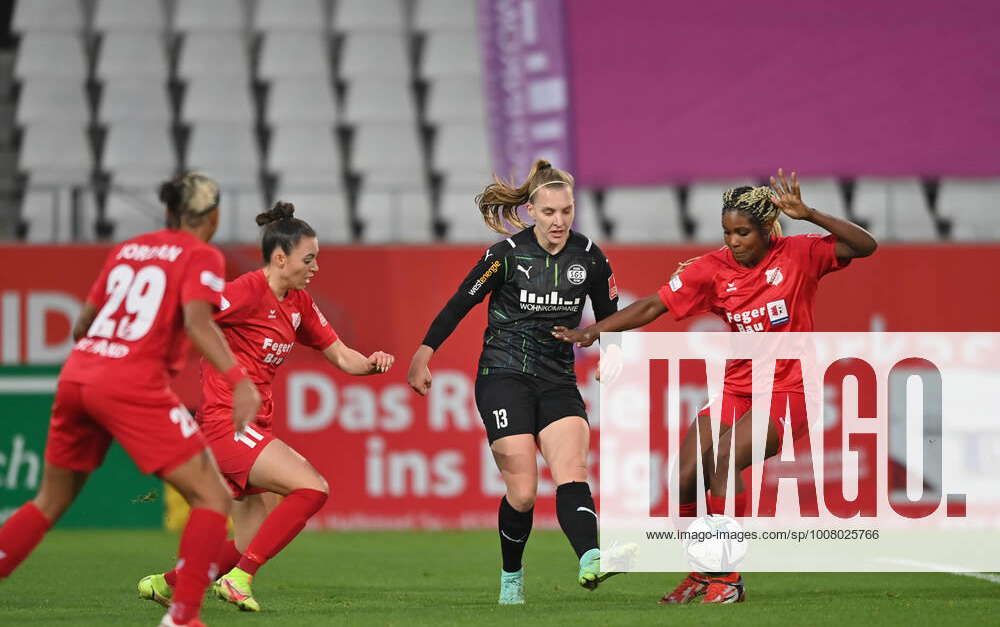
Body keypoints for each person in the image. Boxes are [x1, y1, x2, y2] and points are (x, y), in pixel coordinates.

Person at [553, 169, 878, 604]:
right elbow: (653, 305)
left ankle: (728, 578)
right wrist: (599, 332)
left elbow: (865, 247)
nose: (733, 241)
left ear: (767, 230)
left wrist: (810, 214)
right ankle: (702, 573)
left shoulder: (799, 255)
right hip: (736, 389)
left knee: (724, 461)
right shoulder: (712, 270)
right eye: (727, 232)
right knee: (685, 475)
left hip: (790, 392)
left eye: (743, 232)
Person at [0, 172, 260, 627]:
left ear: (168, 211)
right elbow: (198, 322)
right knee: (212, 498)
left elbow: (83, 324)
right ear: (214, 215)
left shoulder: (129, 249)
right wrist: (239, 378)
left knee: (48, 501)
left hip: (78, 375)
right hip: (130, 383)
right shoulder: (201, 254)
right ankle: (182, 618)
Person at [138, 202, 395, 613]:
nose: (314, 268)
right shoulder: (246, 290)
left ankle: (167, 584)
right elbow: (195, 313)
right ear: (280, 257)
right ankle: (239, 579)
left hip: (253, 425)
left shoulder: (300, 304)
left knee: (246, 539)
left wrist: (371, 363)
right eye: (308, 259)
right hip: (226, 424)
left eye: (317, 259)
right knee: (313, 487)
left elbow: (342, 355)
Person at [407, 159, 620, 605]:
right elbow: (458, 305)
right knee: (522, 491)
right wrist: (424, 355)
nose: (559, 221)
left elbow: (611, 320)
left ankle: (591, 557)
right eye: (549, 212)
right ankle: (511, 578)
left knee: (572, 472)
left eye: (566, 211)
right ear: (531, 211)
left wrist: (612, 356)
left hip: (558, 379)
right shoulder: (504, 256)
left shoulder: (590, 257)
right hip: (503, 375)